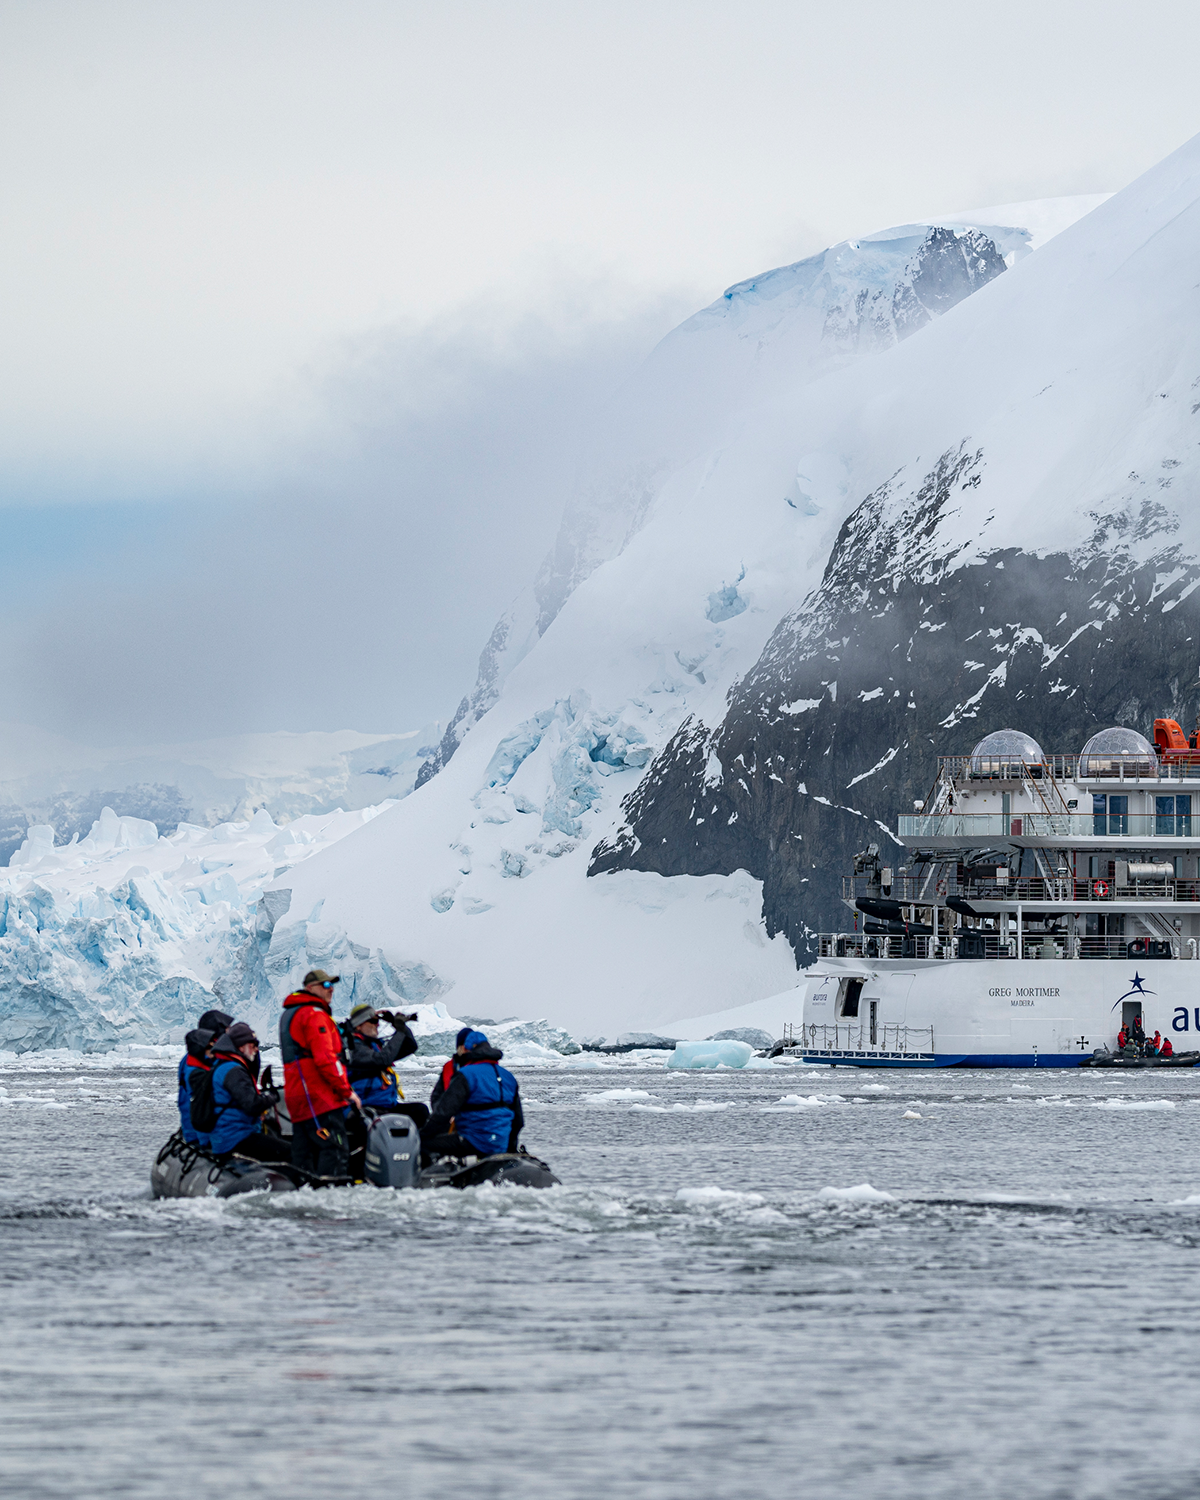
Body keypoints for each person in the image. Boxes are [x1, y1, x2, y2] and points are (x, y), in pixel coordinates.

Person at [280, 969, 358, 1179]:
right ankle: (330, 1199)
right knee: (335, 1149)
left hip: (298, 1096)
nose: (330, 988)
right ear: (310, 988)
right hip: (318, 1098)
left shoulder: (290, 1014)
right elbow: (326, 1059)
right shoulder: (313, 1015)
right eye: (325, 985)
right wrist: (347, 1092)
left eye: (331, 984)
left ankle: (303, 1198)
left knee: (304, 1153)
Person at [421, 1028, 523, 1163]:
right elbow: (518, 1122)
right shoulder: (508, 1076)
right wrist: (509, 1148)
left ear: (465, 1050)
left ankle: (427, 1180)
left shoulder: (466, 1074)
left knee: (423, 1143)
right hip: (500, 1143)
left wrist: (421, 1135)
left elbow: (443, 1113)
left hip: (473, 1141)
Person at [209, 1023, 292, 1163]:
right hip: (235, 1136)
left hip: (226, 1134)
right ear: (241, 1047)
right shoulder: (234, 1071)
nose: (256, 1049)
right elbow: (251, 1104)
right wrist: (272, 1098)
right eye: (253, 1045)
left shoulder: (224, 1065)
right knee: (288, 1151)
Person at [343, 1003, 427, 1128]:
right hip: (366, 1107)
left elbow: (410, 1046)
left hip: (386, 1105)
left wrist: (396, 1023)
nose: (377, 1024)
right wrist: (399, 1031)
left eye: (377, 1021)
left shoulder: (373, 1046)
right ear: (359, 1026)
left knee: (420, 1110)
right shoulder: (353, 1047)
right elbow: (383, 1059)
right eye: (372, 1021)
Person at [177, 1027, 215, 1144]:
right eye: (210, 1047)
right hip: (202, 1134)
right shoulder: (196, 1072)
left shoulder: (191, 1064)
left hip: (196, 1130)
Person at [429, 1027, 474, 1112]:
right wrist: (442, 1113)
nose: (467, 1049)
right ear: (458, 1047)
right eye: (464, 1045)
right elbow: (436, 1096)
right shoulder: (449, 1067)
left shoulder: (482, 1068)